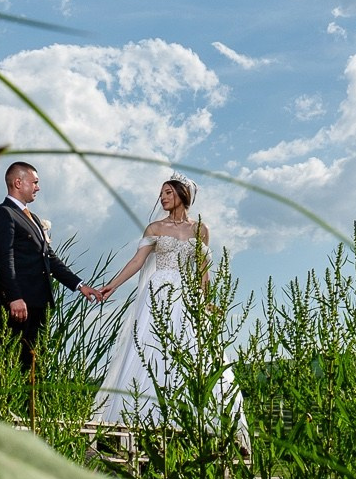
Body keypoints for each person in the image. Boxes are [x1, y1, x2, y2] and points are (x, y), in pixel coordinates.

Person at [81, 175, 249, 446]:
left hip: (188, 297)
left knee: (193, 355)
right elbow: (138, 261)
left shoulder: (201, 229)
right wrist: (112, 285)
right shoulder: (155, 228)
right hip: (158, 294)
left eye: (168, 192)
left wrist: (206, 300)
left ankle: (196, 430)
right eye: (161, 193)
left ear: (183, 195)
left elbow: (203, 271)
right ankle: (137, 426)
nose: (163, 198)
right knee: (151, 353)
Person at [0, 160, 82, 373]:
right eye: (35, 182)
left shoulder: (34, 218)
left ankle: (32, 406)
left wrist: (80, 286)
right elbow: (4, 258)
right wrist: (14, 298)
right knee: (13, 366)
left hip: (38, 304)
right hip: (19, 306)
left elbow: (49, 258)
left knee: (33, 367)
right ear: (18, 183)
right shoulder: (4, 213)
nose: (38, 187)